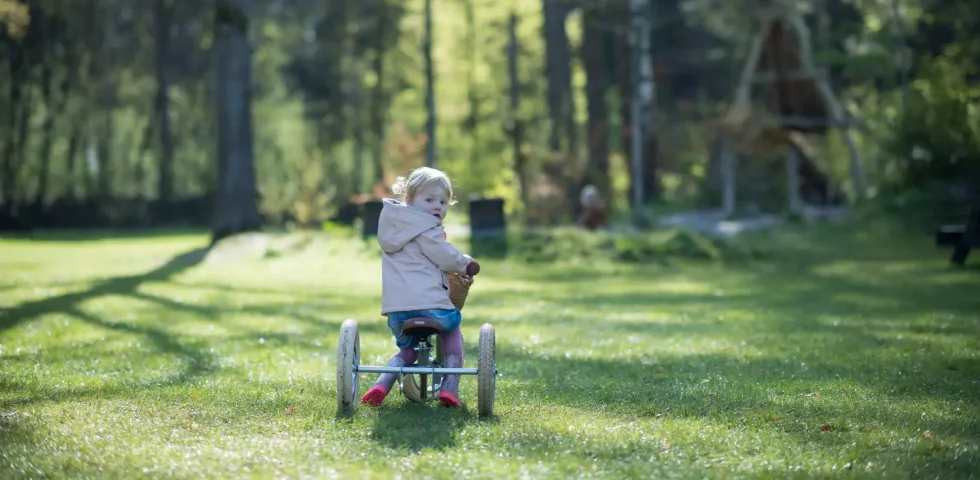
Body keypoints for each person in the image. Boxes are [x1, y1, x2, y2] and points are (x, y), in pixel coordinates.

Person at [360, 167, 479, 408]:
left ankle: (381, 384)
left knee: (408, 351)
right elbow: (445, 257)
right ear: (410, 200)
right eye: (430, 200)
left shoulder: (392, 229)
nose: (438, 206)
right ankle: (449, 387)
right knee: (453, 327)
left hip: (397, 313)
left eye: (443, 202)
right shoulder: (426, 228)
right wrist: (466, 263)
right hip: (433, 309)